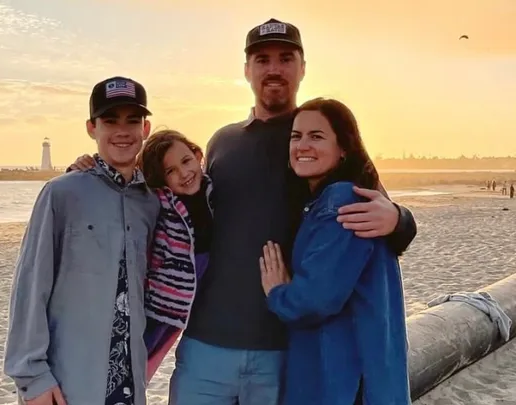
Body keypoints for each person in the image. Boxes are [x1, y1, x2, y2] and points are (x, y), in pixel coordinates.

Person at [166, 18, 417, 405]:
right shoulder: (222, 142)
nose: (274, 69)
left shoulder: (321, 139)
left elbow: (374, 208)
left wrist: (400, 219)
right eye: (262, 59)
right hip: (206, 342)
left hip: (282, 349)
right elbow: (179, 202)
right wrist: (96, 169)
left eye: (285, 58)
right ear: (246, 70)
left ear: (302, 68)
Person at [3, 76, 161, 405]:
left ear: (145, 129)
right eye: (110, 120)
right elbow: (31, 285)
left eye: (133, 121)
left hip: (130, 383)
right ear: (92, 128)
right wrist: (32, 378)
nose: (122, 131)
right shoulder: (61, 193)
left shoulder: (151, 201)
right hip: (68, 383)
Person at [260, 97, 410, 405]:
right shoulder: (327, 200)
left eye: (316, 136)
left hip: (343, 382)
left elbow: (318, 298)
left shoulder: (341, 201)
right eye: (296, 136)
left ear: (344, 148)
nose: (302, 145)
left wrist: (278, 293)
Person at [67, 129, 215, 383]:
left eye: (186, 161)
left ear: (197, 155)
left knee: (141, 370)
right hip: (158, 304)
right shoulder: (157, 200)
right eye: (170, 171)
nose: (183, 173)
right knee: (122, 365)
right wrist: (83, 173)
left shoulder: (214, 191)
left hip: (187, 304)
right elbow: (116, 193)